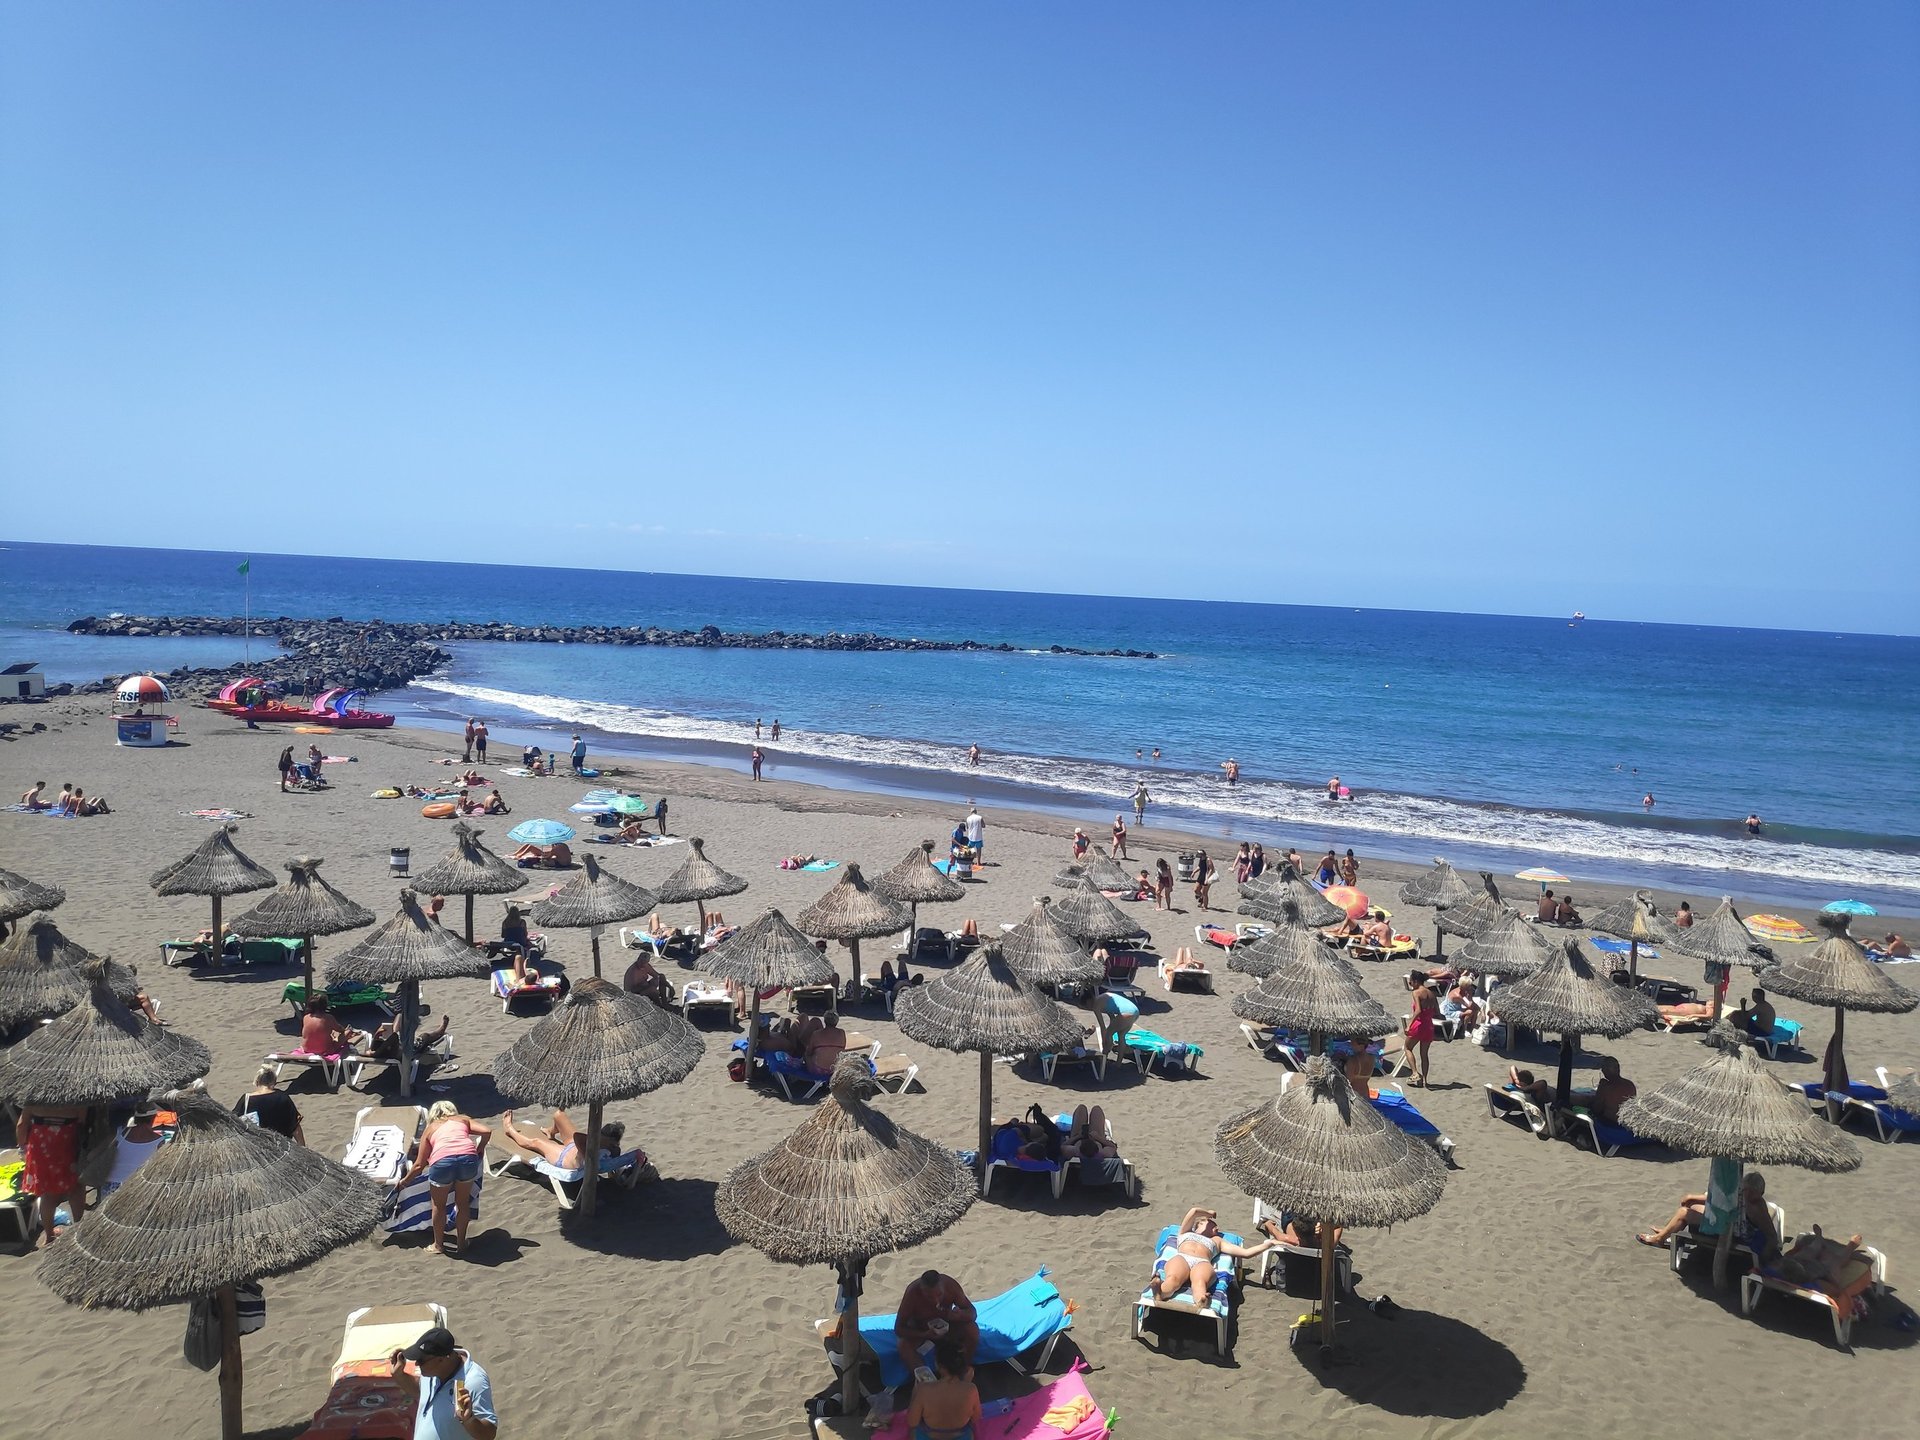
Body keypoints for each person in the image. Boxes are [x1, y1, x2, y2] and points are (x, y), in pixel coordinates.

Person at [393, 1102, 491, 1257]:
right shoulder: (462, 1119)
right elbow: (486, 1131)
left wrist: (404, 1182)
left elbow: (419, 1165)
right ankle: (461, 1244)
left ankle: (439, 1245)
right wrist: (480, 1148)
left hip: (442, 1162)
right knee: (462, 1203)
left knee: (439, 1205)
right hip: (468, 1158)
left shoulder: (431, 1128)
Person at [386, 1325, 497, 1440]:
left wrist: (469, 1420)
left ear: (441, 1359)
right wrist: (399, 1375)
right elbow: (422, 1392)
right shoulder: (432, 1371)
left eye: (421, 1360)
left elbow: (489, 1434)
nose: (417, 1364)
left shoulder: (473, 1381)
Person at [1151, 1206, 1275, 1306]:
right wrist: (1209, 1213)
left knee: (1200, 1283)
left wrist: (1268, 1244)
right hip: (1183, 1256)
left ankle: (1201, 1300)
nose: (1217, 1227)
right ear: (1200, 1223)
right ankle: (1160, 1293)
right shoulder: (1185, 1231)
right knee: (1173, 1278)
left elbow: (1246, 1253)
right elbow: (1194, 1211)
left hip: (1202, 1262)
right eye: (1212, 1223)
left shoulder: (1217, 1241)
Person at [1637, 1170, 1777, 1258]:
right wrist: (1693, 1197)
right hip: (1727, 1223)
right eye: (1745, 1189)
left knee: (1684, 1213)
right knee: (1691, 1204)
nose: (1747, 1193)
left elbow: (1771, 1235)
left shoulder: (1757, 1208)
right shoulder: (1743, 1197)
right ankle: (1667, 1231)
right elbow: (1722, 1199)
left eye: (1751, 1191)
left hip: (1730, 1234)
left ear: (1760, 1193)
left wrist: (1765, 1255)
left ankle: (1659, 1239)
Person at [17, 1102, 88, 1246]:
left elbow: (21, 1125)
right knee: (75, 1187)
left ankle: (49, 1236)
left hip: (41, 1143)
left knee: (48, 1193)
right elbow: (82, 1121)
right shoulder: (77, 1096)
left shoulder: (35, 1096)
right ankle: (78, 1228)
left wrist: (22, 1148)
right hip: (67, 1141)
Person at [894, 1270, 980, 1378]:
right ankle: (927, 1381)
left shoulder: (951, 1286)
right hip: (921, 1330)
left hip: (947, 1327)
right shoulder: (912, 1294)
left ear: (943, 1287)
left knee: (972, 1330)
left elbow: (972, 1313)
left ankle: (961, 1371)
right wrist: (924, 1334)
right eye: (929, 1297)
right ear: (922, 1291)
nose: (936, 1301)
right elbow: (898, 1329)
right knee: (903, 1345)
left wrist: (959, 1315)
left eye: (939, 1295)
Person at [499, 1110, 625, 1171]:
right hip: (573, 1147)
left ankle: (509, 1129)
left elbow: (578, 1138)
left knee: (535, 1142)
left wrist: (597, 1140)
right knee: (559, 1115)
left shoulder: (611, 1149)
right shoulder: (603, 1144)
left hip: (564, 1158)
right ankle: (551, 1131)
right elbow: (577, 1138)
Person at [905, 1340, 980, 1440]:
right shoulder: (971, 1389)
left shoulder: (924, 1389)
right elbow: (976, 1418)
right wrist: (966, 1384)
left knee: (912, 1431)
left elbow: (912, 1422)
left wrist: (915, 1392)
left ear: (938, 1365)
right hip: (961, 1437)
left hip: (929, 1437)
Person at [100, 1104, 167, 1196]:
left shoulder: (118, 1133)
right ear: (153, 1120)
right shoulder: (162, 1141)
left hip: (111, 1188)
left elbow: (95, 1154)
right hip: (138, 1189)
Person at [236, 1066, 306, 1143]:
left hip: (257, 1146)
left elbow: (233, 1121)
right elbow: (295, 1127)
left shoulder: (246, 1099)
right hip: (281, 1146)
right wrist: (302, 1148)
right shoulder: (283, 1097)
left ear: (257, 1082)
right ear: (273, 1082)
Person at [300, 995, 363, 1059]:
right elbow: (340, 1029)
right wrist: (345, 1030)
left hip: (307, 1049)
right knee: (348, 1032)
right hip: (325, 1051)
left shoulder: (306, 1017)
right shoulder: (328, 1018)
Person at [1406, 978, 1439, 1087]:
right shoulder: (1432, 993)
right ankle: (1425, 1080)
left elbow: (1418, 1010)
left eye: (1411, 982)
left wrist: (1409, 1025)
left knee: (1408, 1048)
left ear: (1416, 981)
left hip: (1419, 1025)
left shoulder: (1416, 993)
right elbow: (1437, 1012)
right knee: (1424, 1055)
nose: (1410, 984)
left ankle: (1415, 1073)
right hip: (1429, 1026)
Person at [1591, 1055, 1637, 1124]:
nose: (1602, 1071)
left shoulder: (1606, 1087)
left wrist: (1600, 1089)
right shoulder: (1630, 1085)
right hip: (1625, 1123)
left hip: (1609, 1123)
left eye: (1604, 1068)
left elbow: (1597, 1109)